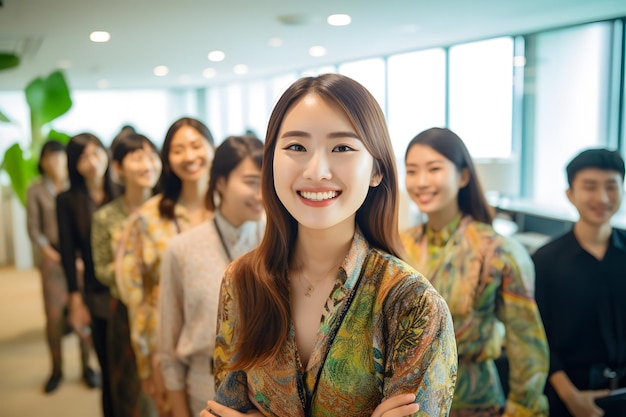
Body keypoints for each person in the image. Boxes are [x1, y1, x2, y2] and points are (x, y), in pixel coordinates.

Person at [203, 74, 457, 417]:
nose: (316, 170)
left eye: (341, 148)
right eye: (296, 147)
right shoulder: (242, 280)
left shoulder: (411, 302)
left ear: (376, 170)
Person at [400, 127, 549, 417]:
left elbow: (526, 342)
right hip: (410, 402)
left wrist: (523, 410)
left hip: (475, 402)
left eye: (434, 169)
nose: (421, 182)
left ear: (463, 176)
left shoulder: (497, 251)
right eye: (412, 171)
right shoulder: (398, 245)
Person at [159, 135, 266, 417]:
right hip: (203, 390)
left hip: (268, 397)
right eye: (251, 182)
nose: (262, 194)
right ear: (220, 182)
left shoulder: (279, 244)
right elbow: (169, 352)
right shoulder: (182, 250)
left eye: (267, 183)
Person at [117, 117, 215, 416]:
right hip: (172, 353)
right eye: (178, 149)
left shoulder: (235, 210)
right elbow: (138, 299)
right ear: (168, 160)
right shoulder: (147, 218)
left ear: (212, 148)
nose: (189, 156)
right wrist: (150, 365)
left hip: (236, 349)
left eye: (196, 146)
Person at [533, 148, 626, 417]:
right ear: (570, 194)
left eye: (611, 186)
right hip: (569, 399)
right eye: (589, 187)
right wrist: (570, 397)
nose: (602, 198)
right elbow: (539, 339)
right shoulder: (545, 260)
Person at [91, 133, 162, 417]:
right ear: (118, 168)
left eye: (151, 156)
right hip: (125, 312)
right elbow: (101, 268)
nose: (148, 164)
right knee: (130, 393)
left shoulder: (167, 212)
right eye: (137, 157)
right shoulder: (106, 217)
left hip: (163, 312)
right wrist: (134, 277)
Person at [57, 133, 118, 416]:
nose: (92, 162)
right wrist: (74, 298)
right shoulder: (67, 201)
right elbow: (68, 254)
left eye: (96, 153)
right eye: (83, 157)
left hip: (130, 290)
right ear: (74, 164)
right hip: (97, 292)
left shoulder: (121, 190)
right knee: (107, 365)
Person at [26, 140, 93, 393]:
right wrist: (52, 254)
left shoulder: (76, 187)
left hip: (79, 258)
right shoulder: (36, 190)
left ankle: (87, 367)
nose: (54, 162)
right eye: (49, 158)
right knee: (54, 318)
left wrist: (78, 256)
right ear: (43, 162)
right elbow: (34, 229)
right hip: (52, 259)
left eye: (59, 157)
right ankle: (56, 369)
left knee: (83, 311)